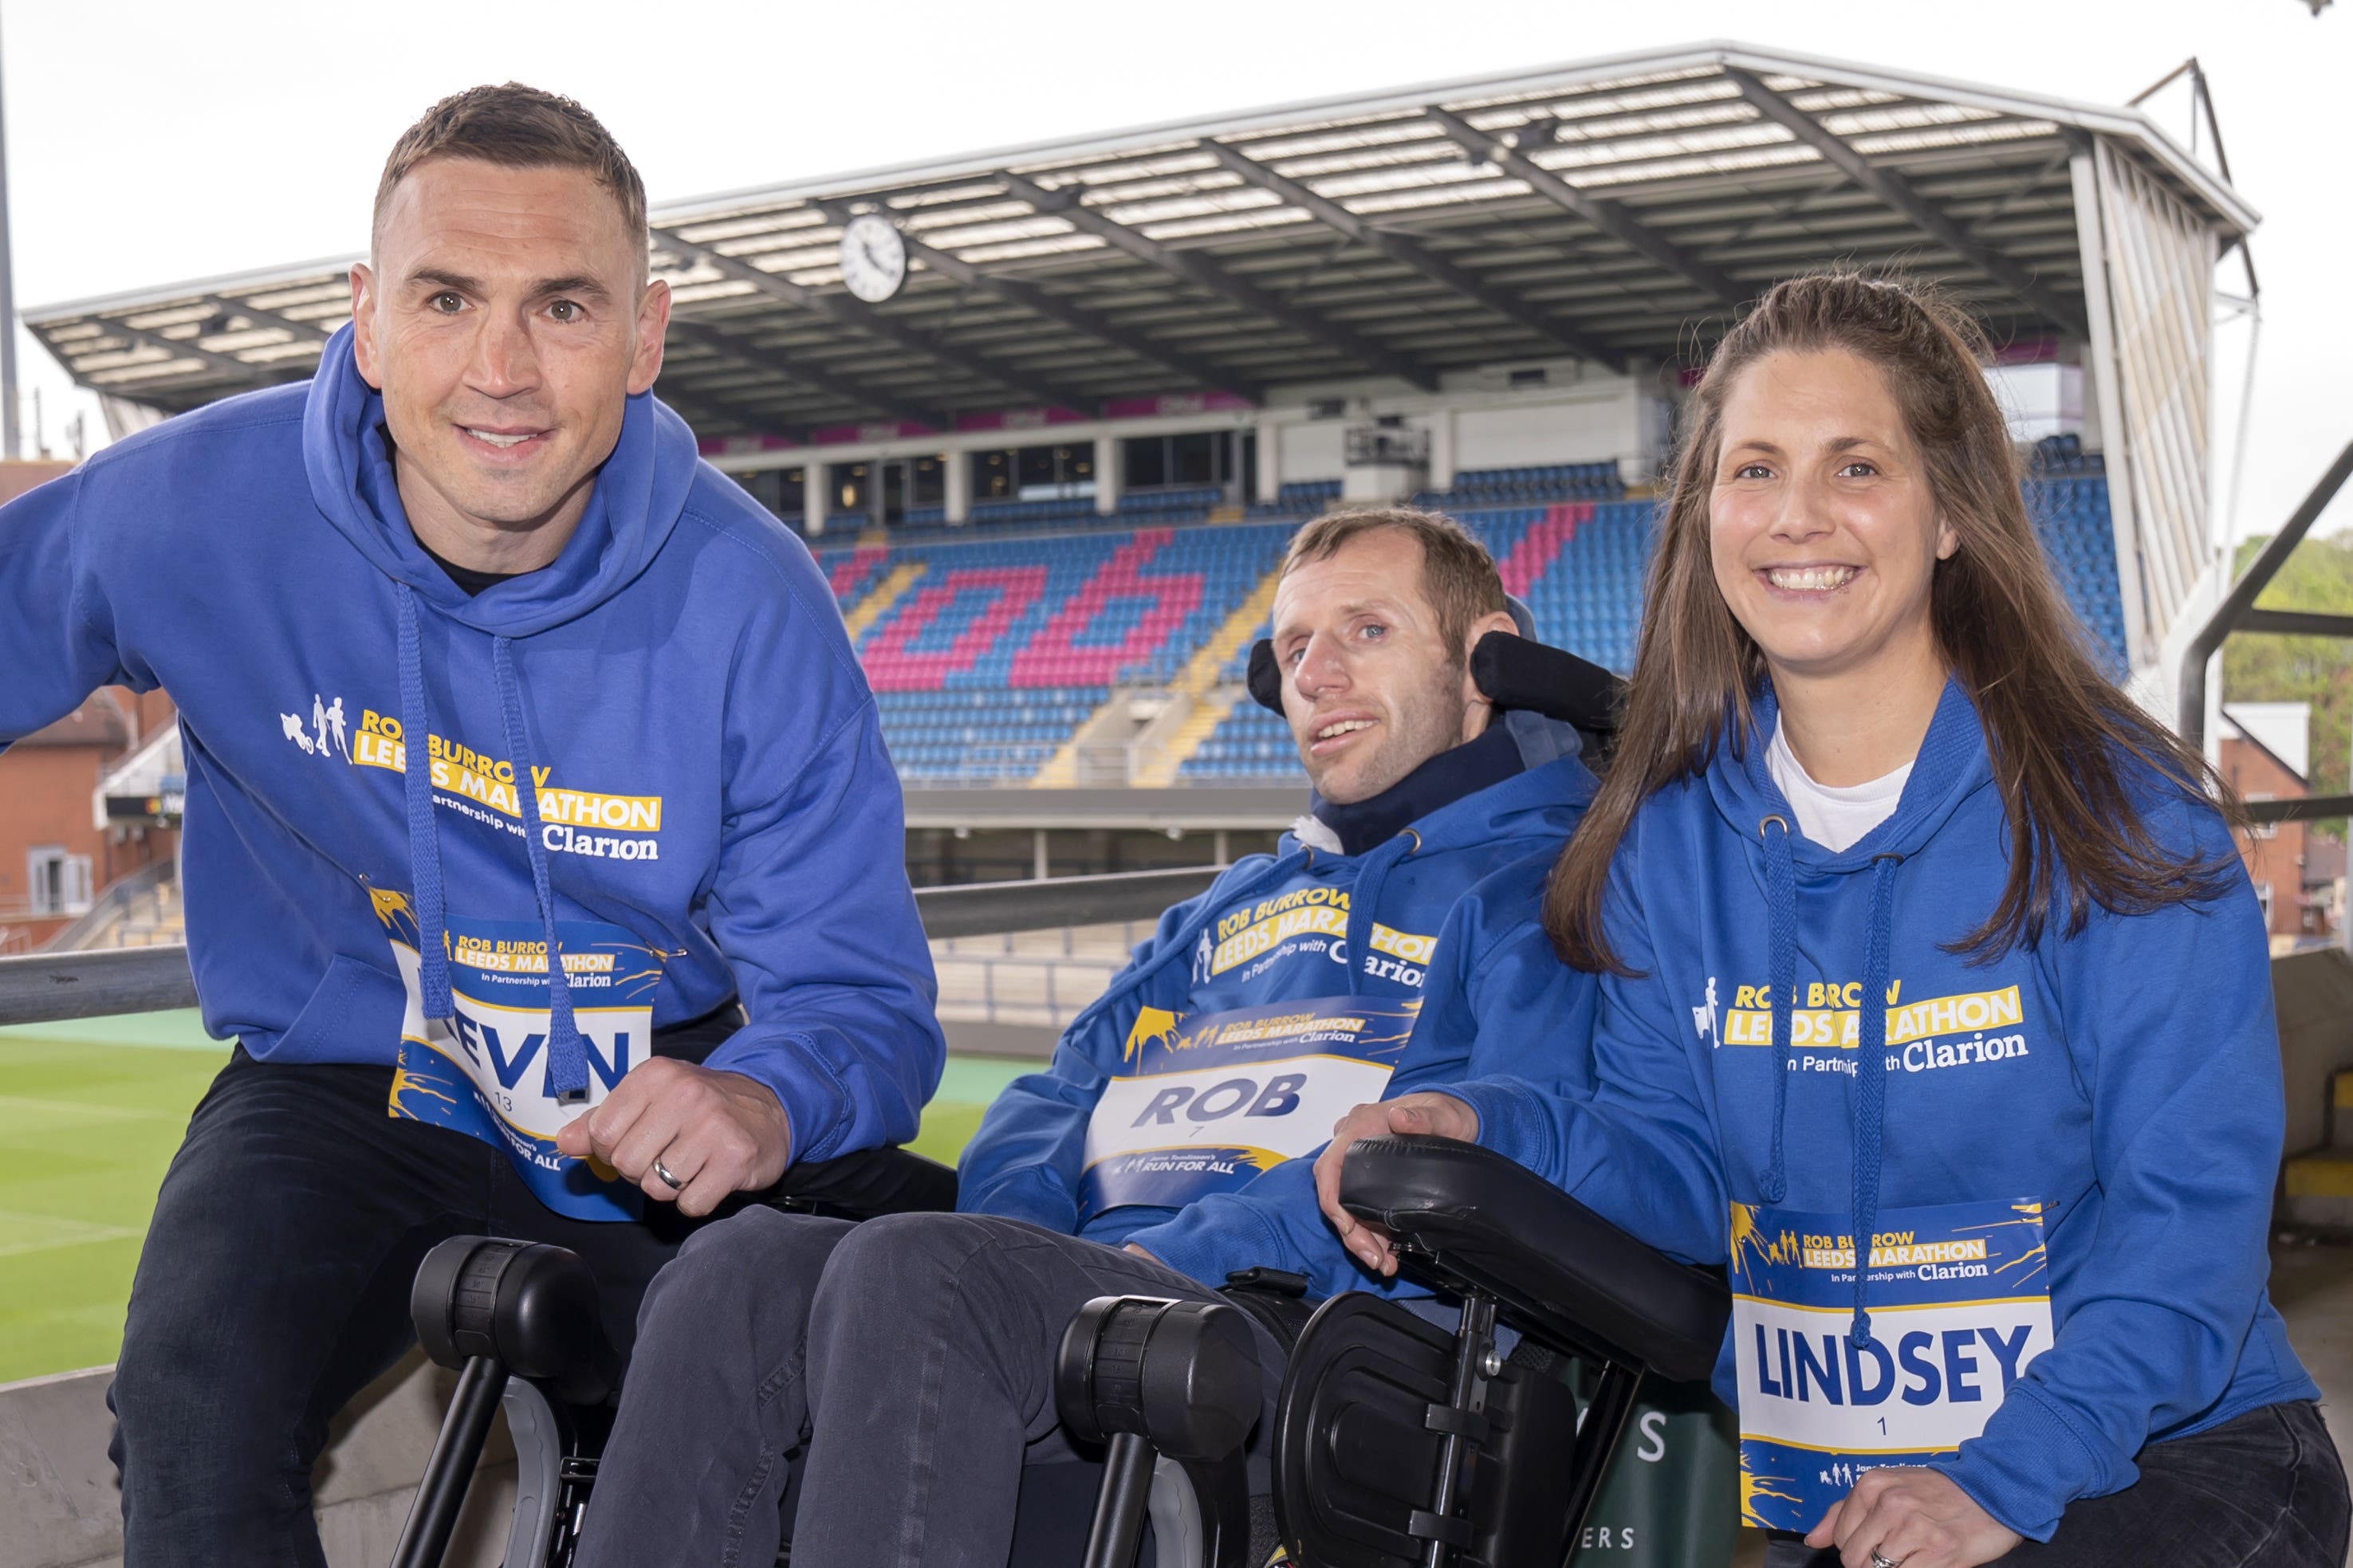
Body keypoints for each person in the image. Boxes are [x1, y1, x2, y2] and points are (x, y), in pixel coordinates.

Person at [0, 85, 943, 1566]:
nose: (500, 369)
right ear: (369, 320)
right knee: (193, 1410)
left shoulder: (753, 603)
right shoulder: (191, 506)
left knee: (797, 1415)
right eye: (449, 298)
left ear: (646, 338)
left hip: (643, 1098)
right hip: (340, 1079)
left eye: (564, 307)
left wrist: (762, 1095)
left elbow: (862, 1004)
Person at [1319, 273, 2351, 1568]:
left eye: (1855, 465)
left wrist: (2000, 1476)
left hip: (2159, 1461)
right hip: (1862, 1503)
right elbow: (1676, 1170)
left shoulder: (2121, 820)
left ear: (1949, 516)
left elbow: (2187, 1230)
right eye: (1754, 469)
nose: (1795, 515)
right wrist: (1482, 1126)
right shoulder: (1664, 840)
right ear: (1708, 518)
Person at [571, 509, 1601, 1568]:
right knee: (735, 1266)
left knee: (929, 1277)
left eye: (1366, 632)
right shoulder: (1224, 906)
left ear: (1485, 663)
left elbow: (1475, 1140)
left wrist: (1147, 1262)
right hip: (1092, 1299)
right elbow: (1051, 1102)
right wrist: (1035, 1251)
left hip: (1318, 1341)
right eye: (1294, 648)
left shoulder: (1550, 887)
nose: (1317, 676)